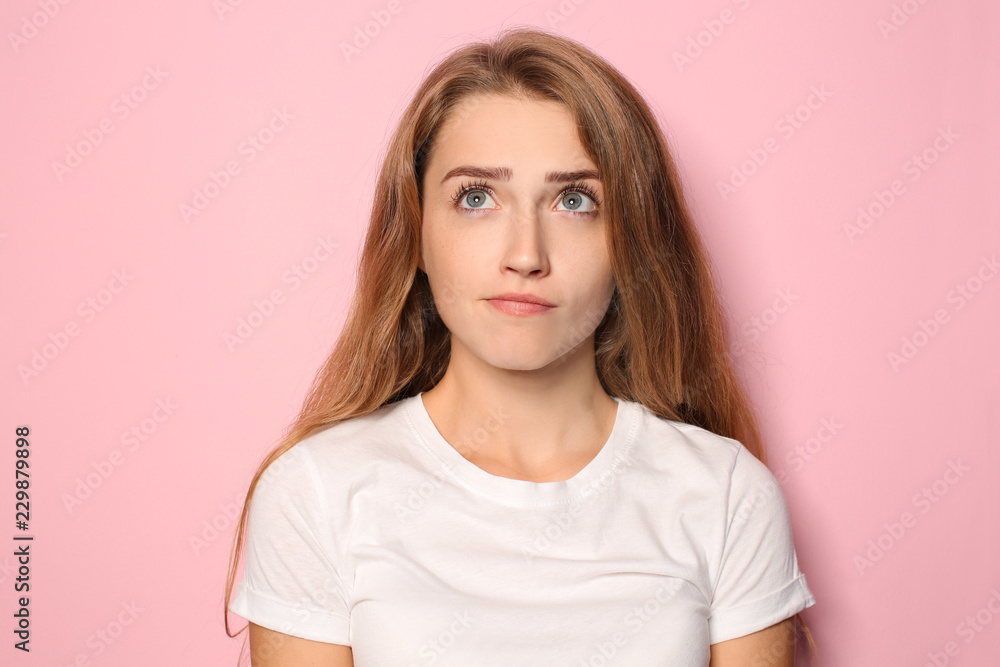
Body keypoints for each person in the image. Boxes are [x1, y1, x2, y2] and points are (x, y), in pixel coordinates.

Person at [225, 27, 817, 666]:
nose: (526, 255)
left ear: (631, 241)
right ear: (416, 234)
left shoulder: (726, 495)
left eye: (574, 200)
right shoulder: (316, 490)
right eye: (476, 198)